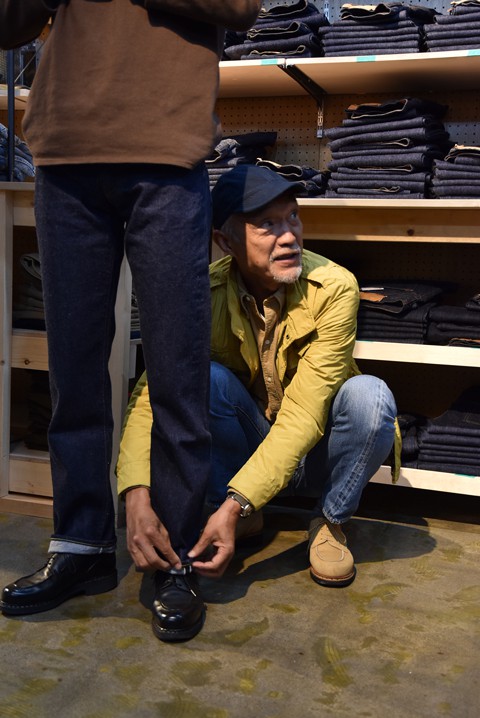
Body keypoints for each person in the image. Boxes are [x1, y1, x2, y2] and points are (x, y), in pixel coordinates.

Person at [0, 0, 261, 643]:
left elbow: (241, 8)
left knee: (177, 370)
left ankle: (177, 557)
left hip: (165, 150)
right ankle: (81, 545)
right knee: (74, 371)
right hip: (65, 151)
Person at [117, 164, 400, 627]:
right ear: (225, 241)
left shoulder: (334, 287)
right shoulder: (203, 293)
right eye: (267, 224)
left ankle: (329, 520)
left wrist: (234, 503)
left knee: (371, 397)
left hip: (316, 450)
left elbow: (305, 415)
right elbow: (154, 395)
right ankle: (245, 512)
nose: (288, 237)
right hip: (250, 444)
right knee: (199, 379)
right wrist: (135, 493)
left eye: (293, 217)